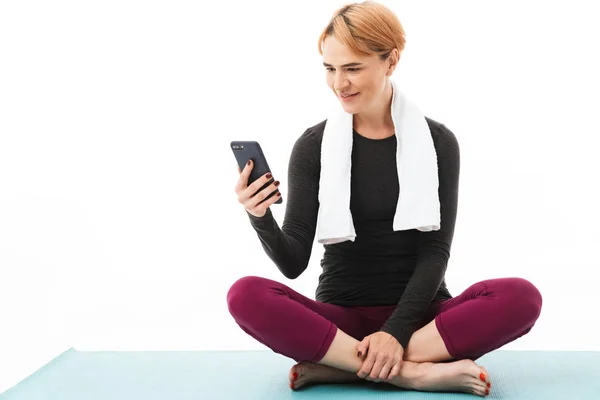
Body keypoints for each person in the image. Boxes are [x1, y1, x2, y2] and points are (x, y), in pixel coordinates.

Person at [226, 1, 542, 397]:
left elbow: (435, 253)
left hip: (421, 320)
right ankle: (414, 373)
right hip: (342, 319)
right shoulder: (313, 145)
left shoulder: (439, 142)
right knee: (245, 295)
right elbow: (293, 263)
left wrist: (394, 332)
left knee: (520, 297)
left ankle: (343, 366)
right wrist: (259, 216)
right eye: (330, 68)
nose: (339, 84)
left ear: (390, 61)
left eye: (353, 68)